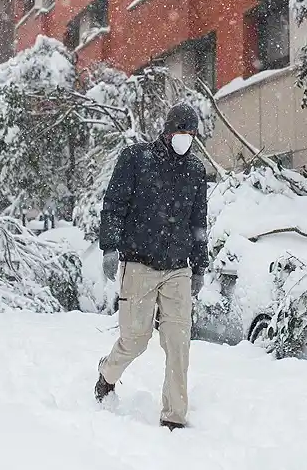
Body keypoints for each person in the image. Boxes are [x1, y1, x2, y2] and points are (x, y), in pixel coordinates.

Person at [94, 103, 208, 430]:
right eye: (180, 132)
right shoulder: (137, 159)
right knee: (136, 338)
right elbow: (114, 203)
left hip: (178, 269)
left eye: (191, 134)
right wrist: (110, 247)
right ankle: (107, 373)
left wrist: (198, 267)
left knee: (178, 343)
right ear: (168, 131)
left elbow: (199, 222)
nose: (185, 139)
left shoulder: (196, 171)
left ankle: (174, 417)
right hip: (139, 264)